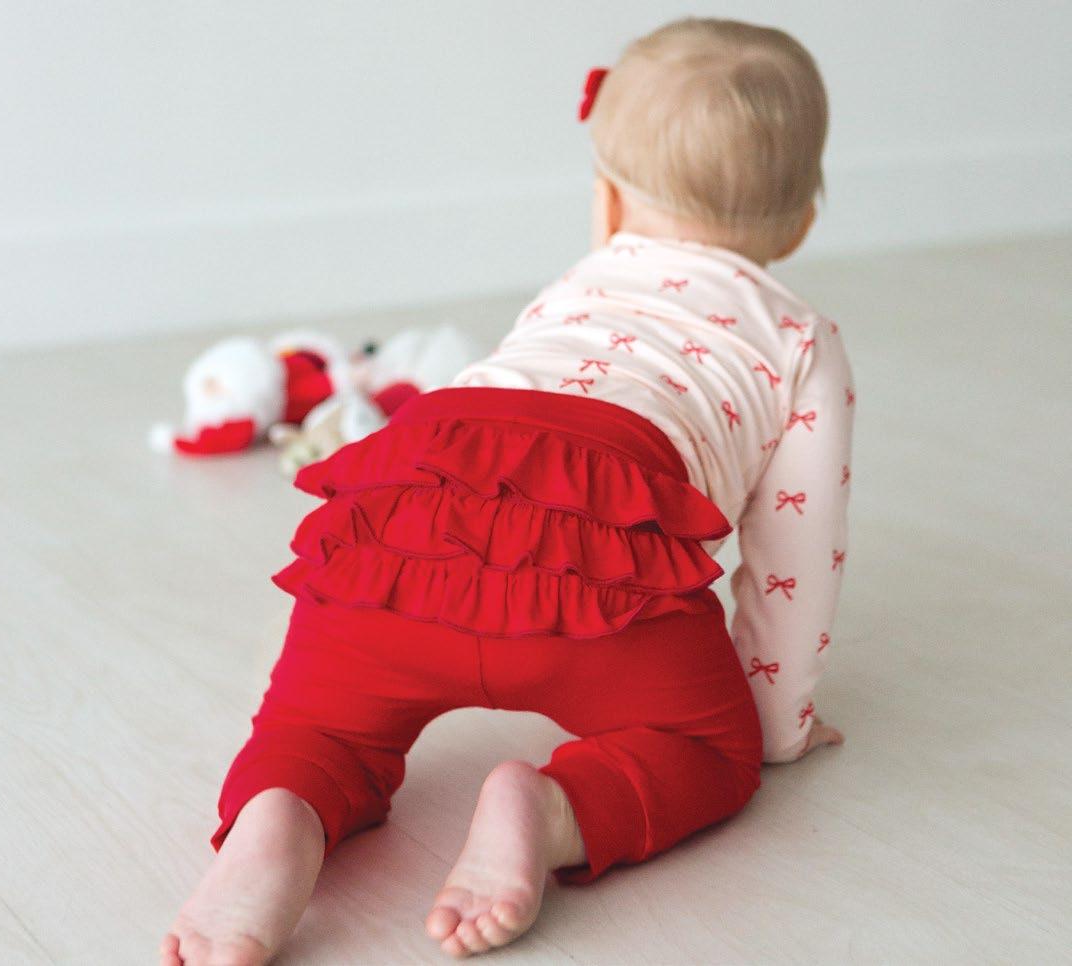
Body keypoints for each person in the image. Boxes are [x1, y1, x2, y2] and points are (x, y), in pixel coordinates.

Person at [161, 17, 853, 965]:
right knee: (709, 752)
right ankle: (550, 807)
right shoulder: (800, 338)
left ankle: (281, 814)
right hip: (597, 580)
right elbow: (795, 555)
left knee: (316, 726)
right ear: (803, 221)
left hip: (405, 518)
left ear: (606, 203)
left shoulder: (572, 287)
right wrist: (777, 728)